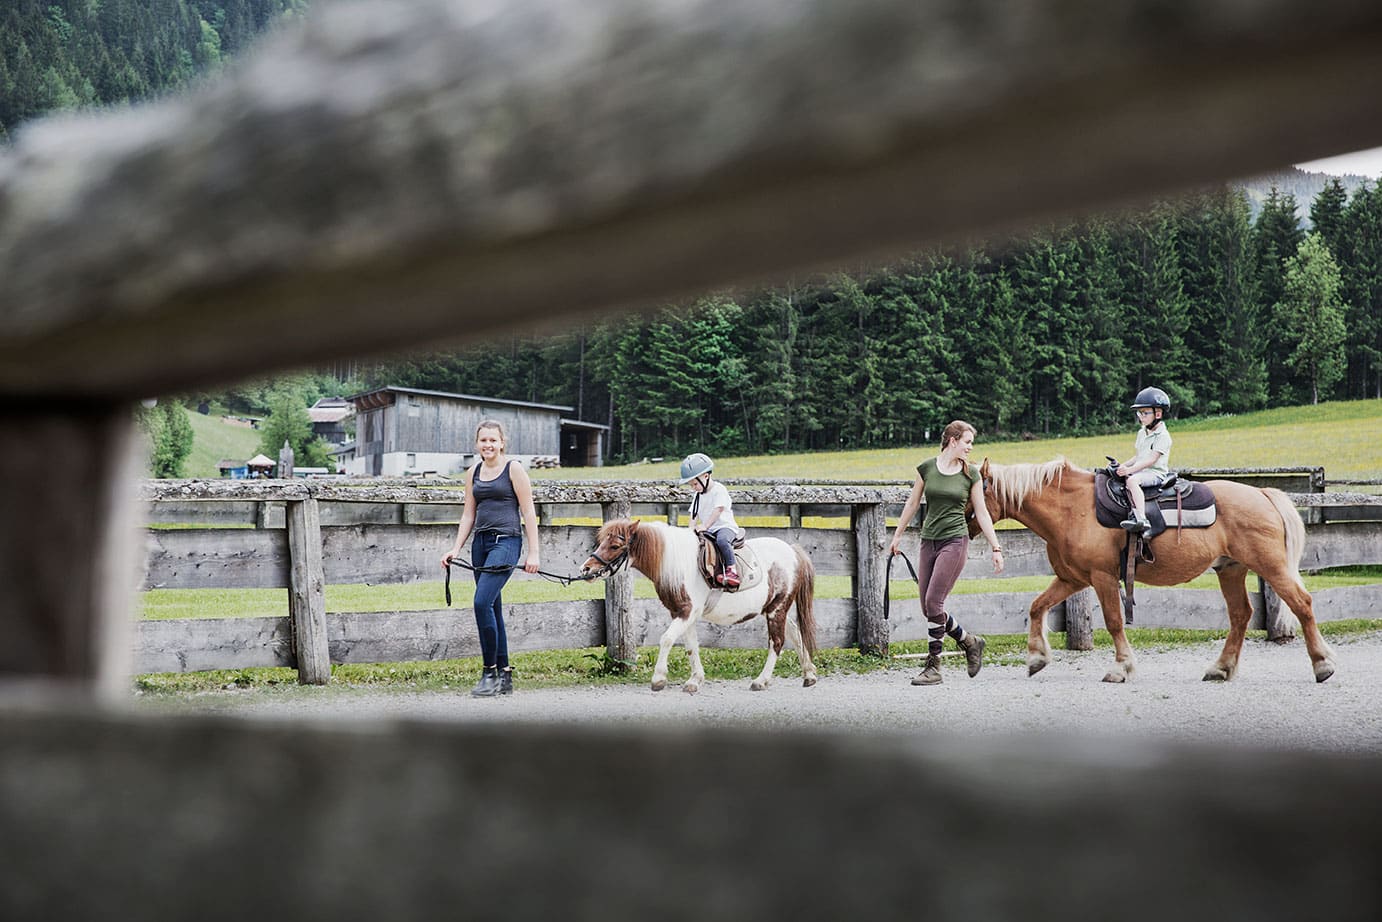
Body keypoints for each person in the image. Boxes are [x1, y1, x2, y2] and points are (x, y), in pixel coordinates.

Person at [888, 420, 1005, 686]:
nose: (970, 448)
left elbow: (982, 513)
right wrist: (897, 535)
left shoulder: (971, 474)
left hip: (955, 541)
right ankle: (970, 642)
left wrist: (995, 547)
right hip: (928, 541)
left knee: (934, 604)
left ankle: (934, 667)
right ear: (953, 441)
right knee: (928, 608)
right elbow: (912, 502)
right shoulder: (927, 468)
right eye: (967, 443)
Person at [440, 420, 541, 697]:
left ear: (502, 442)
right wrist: (455, 549)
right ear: (477, 443)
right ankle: (505, 675)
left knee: (481, 602)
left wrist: (533, 552)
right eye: (483, 440)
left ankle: (489, 672)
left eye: (493, 440)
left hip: (506, 542)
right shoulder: (473, 472)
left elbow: (529, 513)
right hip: (480, 545)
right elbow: (468, 515)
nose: (488, 445)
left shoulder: (514, 469)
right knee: (492, 608)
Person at [678, 452, 743, 588]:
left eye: (695, 484)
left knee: (722, 541)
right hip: (708, 529)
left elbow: (718, 510)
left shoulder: (719, 490)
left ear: (706, 476)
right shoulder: (697, 495)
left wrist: (705, 526)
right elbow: (693, 514)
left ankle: (732, 569)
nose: (693, 487)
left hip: (724, 527)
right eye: (691, 485)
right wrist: (690, 531)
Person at [1116, 386, 1174, 533]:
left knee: (1132, 481)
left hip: (1155, 473)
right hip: (1142, 470)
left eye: (1144, 413)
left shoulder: (1163, 436)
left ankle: (1141, 518)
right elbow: (1138, 456)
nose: (1140, 416)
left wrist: (1129, 471)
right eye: (1139, 413)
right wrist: (1122, 465)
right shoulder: (1142, 432)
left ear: (1158, 414)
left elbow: (1151, 460)